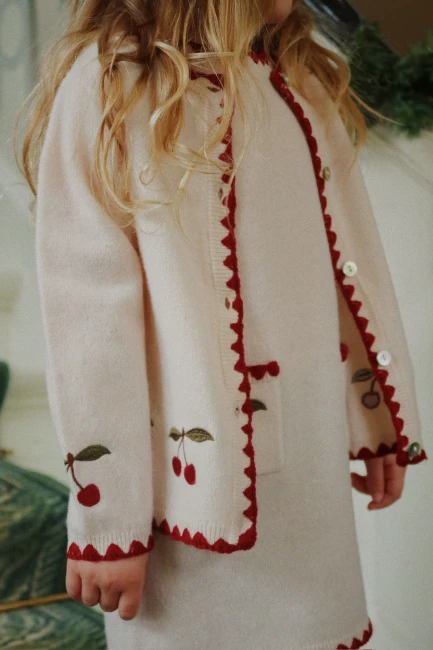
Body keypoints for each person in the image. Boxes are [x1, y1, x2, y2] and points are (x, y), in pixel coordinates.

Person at [17, 0, 427, 648]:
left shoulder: (300, 80)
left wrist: (376, 418)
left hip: (309, 479)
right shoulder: (109, 88)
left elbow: (351, 262)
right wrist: (108, 523)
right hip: (180, 502)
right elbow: (90, 332)